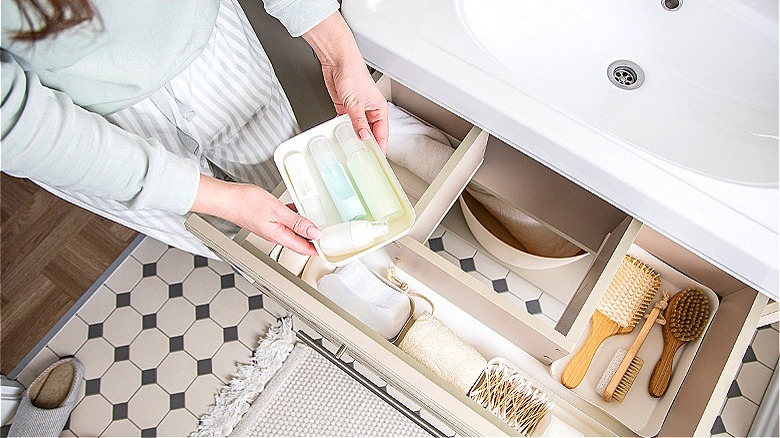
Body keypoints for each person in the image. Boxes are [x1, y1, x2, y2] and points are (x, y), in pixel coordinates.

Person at [1, 0, 389, 257]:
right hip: (84, 126)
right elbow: (16, 127)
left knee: (294, 193)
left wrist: (337, 51)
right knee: (240, 241)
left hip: (205, 39)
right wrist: (225, 201)